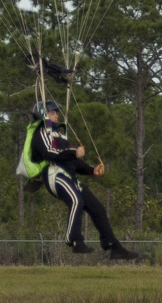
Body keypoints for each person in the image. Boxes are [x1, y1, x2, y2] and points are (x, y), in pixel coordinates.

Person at [28, 99, 139, 260]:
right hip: (54, 175)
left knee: (97, 208)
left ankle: (114, 246)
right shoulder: (41, 133)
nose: (57, 115)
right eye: (53, 112)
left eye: (57, 112)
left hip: (68, 176)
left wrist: (91, 170)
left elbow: (73, 161)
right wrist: (73, 152)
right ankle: (73, 239)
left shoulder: (58, 134)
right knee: (76, 201)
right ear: (43, 115)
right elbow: (50, 153)